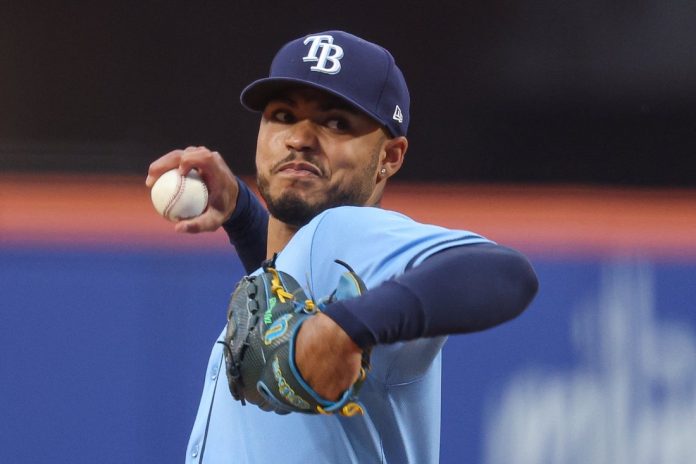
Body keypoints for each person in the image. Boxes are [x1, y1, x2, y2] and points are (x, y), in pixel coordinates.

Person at [147, 30, 538, 464]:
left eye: (336, 123)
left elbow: (505, 272)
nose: (300, 138)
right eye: (283, 115)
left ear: (389, 156)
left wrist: (343, 329)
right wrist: (242, 214)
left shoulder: (347, 230)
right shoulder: (316, 258)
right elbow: (289, 288)